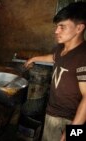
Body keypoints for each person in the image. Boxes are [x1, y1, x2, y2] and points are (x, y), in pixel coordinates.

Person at [24, 2, 86, 141]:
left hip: (69, 119)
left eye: (62, 27)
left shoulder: (83, 56)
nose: (56, 31)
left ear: (79, 28)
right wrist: (33, 58)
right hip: (52, 113)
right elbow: (52, 58)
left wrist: (73, 132)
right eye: (57, 26)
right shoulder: (61, 48)